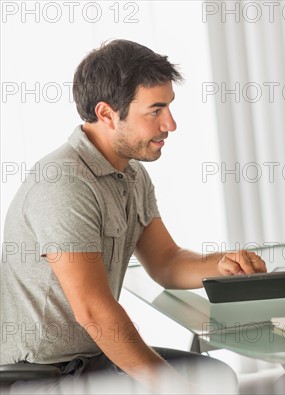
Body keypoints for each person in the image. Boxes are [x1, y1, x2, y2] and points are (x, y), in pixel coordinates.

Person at [0, 39, 266, 389]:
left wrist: (222, 264)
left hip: (90, 360)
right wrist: (169, 384)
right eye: (155, 111)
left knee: (214, 376)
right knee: (197, 383)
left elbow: (167, 262)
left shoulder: (131, 173)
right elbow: (94, 312)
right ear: (106, 114)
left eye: (169, 107)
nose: (170, 124)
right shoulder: (64, 184)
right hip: (41, 376)